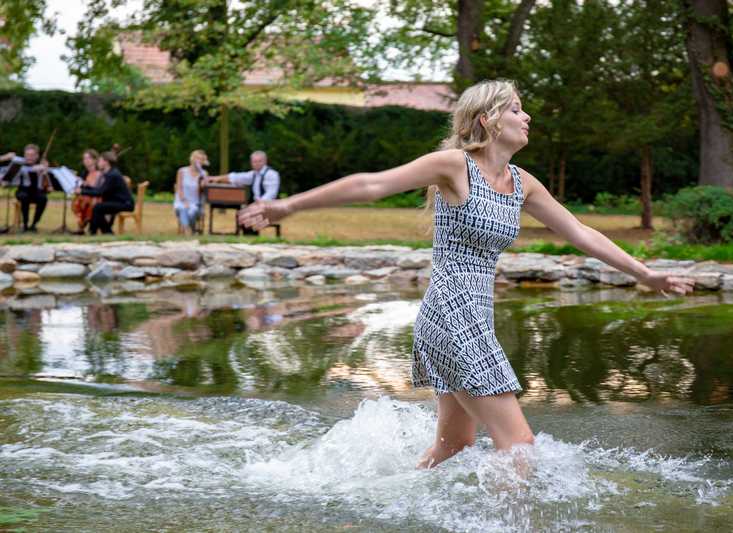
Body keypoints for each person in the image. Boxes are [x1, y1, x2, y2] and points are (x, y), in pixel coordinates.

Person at [238, 79, 695, 468]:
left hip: (475, 318)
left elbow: (579, 231)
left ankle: (394, 504)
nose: (527, 116)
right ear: (487, 120)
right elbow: (371, 184)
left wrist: (644, 274)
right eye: (516, 109)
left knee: (453, 448)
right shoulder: (455, 167)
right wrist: (287, 206)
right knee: (520, 447)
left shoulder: (522, 182)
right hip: (452, 318)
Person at [207, 150, 280, 234]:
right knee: (241, 214)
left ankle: (251, 238)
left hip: (270, 207)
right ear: (251, 162)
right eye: (254, 161)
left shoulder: (271, 174)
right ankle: (249, 237)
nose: (257, 163)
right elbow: (236, 177)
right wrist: (216, 178)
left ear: (265, 161)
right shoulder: (254, 174)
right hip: (258, 206)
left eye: (259, 161)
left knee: (247, 215)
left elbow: (271, 194)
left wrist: (257, 206)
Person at [80, 150, 134, 235]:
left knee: (97, 208)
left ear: (106, 162)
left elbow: (100, 192)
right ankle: (96, 231)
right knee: (98, 208)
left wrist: (82, 192)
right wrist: (87, 188)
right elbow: (100, 189)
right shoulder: (110, 173)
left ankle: (104, 232)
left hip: (125, 203)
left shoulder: (112, 175)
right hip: (117, 201)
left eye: (100, 161)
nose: (98, 163)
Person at [0, 144, 52, 232]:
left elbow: (48, 182)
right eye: (27, 155)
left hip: (37, 192)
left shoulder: (42, 166)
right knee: (24, 197)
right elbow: (5, 172)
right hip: (23, 190)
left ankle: (34, 224)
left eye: (32, 155)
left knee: (43, 199)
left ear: (37, 156)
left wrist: (45, 171)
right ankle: (25, 224)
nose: (29, 157)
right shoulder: (19, 165)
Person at [174, 150, 208, 235]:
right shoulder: (181, 171)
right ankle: (188, 230)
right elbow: (179, 188)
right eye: (197, 158)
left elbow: (203, 191)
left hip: (195, 203)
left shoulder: (204, 174)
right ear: (192, 159)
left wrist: (203, 181)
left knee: (192, 211)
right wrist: (184, 201)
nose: (198, 161)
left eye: (201, 159)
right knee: (183, 209)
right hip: (181, 201)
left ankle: (189, 230)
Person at [71, 149, 103, 235]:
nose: (86, 161)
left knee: (89, 204)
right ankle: (81, 226)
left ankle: (88, 226)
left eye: (88, 158)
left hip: (96, 196)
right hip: (87, 196)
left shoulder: (99, 172)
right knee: (78, 202)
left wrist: (86, 186)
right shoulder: (84, 172)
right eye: (84, 159)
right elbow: (81, 186)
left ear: (95, 160)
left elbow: (98, 189)